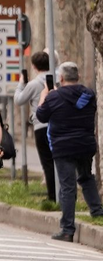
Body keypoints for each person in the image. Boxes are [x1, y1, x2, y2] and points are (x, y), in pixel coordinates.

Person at [36, 62, 103, 241]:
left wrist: (44, 95)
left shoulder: (54, 97)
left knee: (68, 187)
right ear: (78, 77)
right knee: (86, 177)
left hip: (63, 147)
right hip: (86, 145)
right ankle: (97, 212)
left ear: (61, 78)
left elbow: (41, 116)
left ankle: (67, 229)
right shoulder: (89, 95)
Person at [14, 51, 56, 202]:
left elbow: (19, 100)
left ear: (33, 66)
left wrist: (21, 84)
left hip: (41, 126)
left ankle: (52, 197)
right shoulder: (56, 79)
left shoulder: (33, 84)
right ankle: (65, 194)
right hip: (57, 125)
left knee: (47, 162)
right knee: (59, 162)